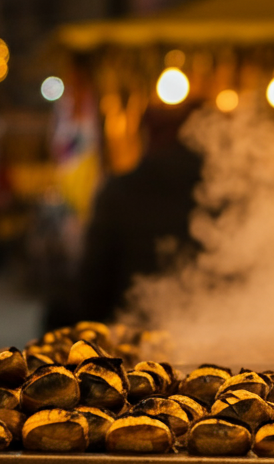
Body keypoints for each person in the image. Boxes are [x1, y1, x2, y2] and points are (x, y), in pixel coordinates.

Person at [78, 103, 203, 323]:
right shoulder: (217, 189)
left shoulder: (121, 190)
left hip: (134, 328)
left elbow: (94, 280)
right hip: (214, 324)